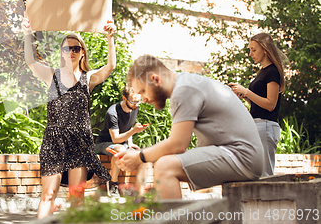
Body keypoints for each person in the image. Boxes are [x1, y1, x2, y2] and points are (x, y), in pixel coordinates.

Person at [115, 55, 264, 199]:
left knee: (165, 166)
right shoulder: (186, 83)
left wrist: (139, 157)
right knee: (164, 161)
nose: (144, 100)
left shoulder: (184, 90)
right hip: (243, 155)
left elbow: (178, 145)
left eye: (143, 91)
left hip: (242, 156)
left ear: (155, 79)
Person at [22, 17, 115, 218]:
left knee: (76, 197)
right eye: (66, 49)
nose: (70, 52)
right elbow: (30, 61)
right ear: (61, 53)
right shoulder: (51, 75)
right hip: (54, 141)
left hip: (79, 142)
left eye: (75, 48)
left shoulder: (87, 78)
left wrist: (110, 38)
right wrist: (27, 33)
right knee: (48, 194)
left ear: (82, 52)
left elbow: (110, 67)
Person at [229, 32, 288, 176]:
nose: (250, 54)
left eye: (253, 50)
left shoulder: (272, 72)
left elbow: (270, 105)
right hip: (257, 125)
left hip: (266, 126)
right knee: (255, 172)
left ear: (265, 50)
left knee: (265, 174)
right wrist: (245, 97)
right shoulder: (262, 72)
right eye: (250, 49)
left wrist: (247, 92)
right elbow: (259, 104)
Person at [95, 85, 149, 197]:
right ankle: (112, 183)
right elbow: (115, 139)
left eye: (138, 101)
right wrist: (134, 131)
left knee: (145, 157)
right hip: (104, 144)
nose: (137, 104)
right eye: (133, 102)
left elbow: (128, 126)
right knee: (120, 149)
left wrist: (130, 143)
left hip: (122, 144)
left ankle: (140, 193)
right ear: (124, 98)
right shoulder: (112, 113)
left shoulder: (134, 108)